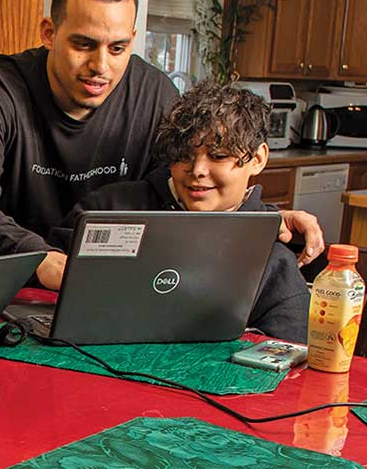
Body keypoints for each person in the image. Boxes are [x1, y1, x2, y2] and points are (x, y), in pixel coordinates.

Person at [0, 0, 324, 289]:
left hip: (84, 290)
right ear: (49, 33)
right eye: (83, 44)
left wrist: (262, 216)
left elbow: (182, 191)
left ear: (134, 39)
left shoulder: (154, 93)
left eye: (117, 48)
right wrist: (42, 258)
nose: (101, 65)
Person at [47, 83, 309, 342]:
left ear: (258, 159)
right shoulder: (108, 207)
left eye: (217, 156)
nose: (197, 171)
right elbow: (41, 288)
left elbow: (290, 352)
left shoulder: (272, 256)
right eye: (184, 155)